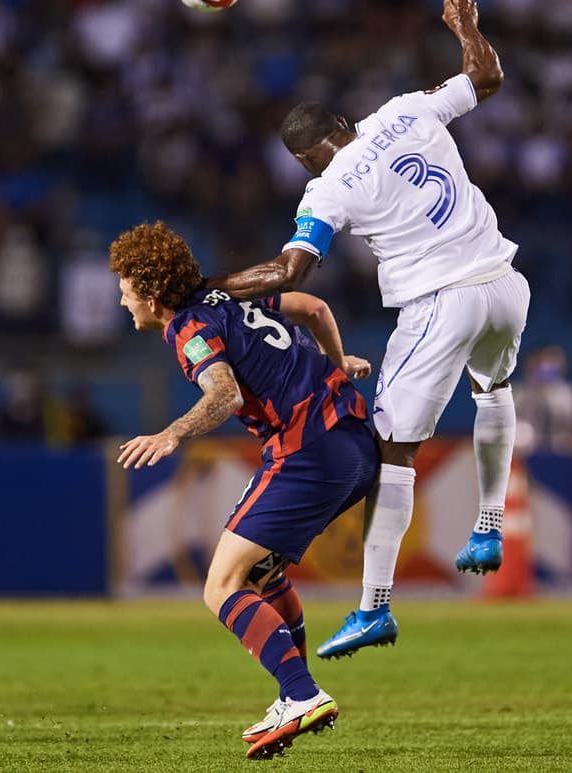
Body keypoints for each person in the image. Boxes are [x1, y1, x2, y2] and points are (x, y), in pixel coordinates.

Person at [204, 0, 531, 659]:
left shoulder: (327, 188)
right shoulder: (405, 109)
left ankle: (373, 607)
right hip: (505, 283)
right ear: (346, 123)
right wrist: (466, 27)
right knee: (493, 391)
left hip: (443, 299)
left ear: (305, 161)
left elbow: (289, 270)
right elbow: (486, 75)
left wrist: (209, 288)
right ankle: (489, 524)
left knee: (391, 451)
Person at [110, 221, 378, 760]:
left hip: (308, 448)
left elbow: (225, 395)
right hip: (354, 439)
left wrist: (171, 433)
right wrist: (336, 363)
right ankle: (293, 694)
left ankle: (301, 694)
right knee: (260, 574)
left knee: (221, 586)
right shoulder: (229, 296)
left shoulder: (188, 327)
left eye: (125, 289)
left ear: (151, 295)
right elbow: (312, 308)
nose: (122, 300)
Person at [513, 345, 572, 454]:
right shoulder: (518, 392)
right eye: (543, 362)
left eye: (553, 361)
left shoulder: (569, 393)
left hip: (562, 451)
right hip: (526, 453)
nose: (547, 367)